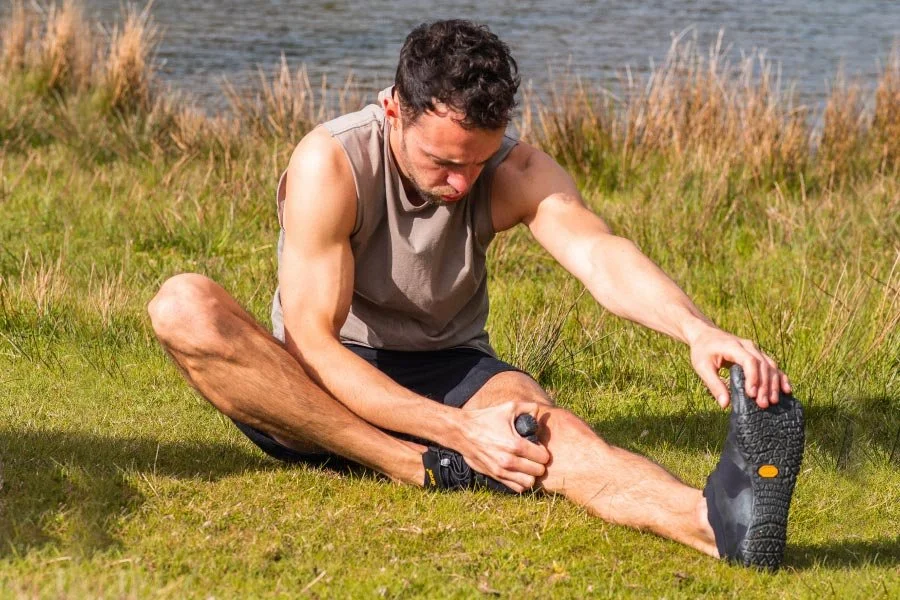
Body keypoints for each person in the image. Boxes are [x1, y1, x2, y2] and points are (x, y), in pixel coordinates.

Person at [148, 20, 804, 569]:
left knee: (546, 434)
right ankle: (406, 462)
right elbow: (313, 341)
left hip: (446, 364)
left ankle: (715, 523)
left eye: (475, 161)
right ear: (393, 109)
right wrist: (455, 432)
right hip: (310, 383)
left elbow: (600, 256)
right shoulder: (332, 163)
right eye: (442, 162)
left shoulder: (514, 168)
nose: (461, 183)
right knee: (183, 304)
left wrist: (696, 330)